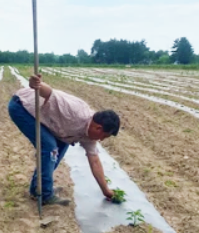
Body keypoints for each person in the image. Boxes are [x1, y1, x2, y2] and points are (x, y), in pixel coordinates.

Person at [8, 73, 120, 205]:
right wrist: (37, 85)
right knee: (49, 148)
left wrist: (106, 190)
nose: (101, 140)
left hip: (48, 120)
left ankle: (38, 188)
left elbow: (94, 161)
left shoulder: (89, 137)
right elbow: (50, 93)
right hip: (22, 106)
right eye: (104, 136)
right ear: (98, 128)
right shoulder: (75, 111)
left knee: (59, 148)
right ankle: (45, 194)